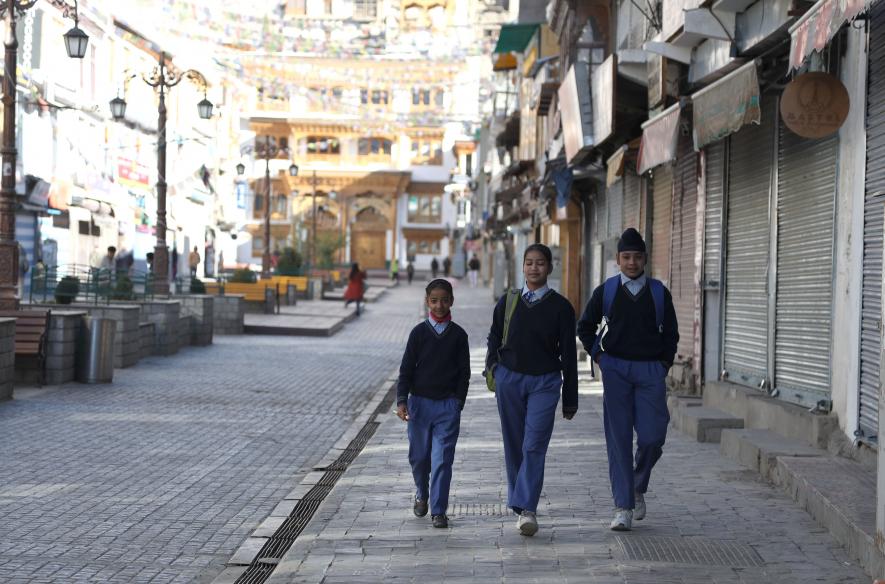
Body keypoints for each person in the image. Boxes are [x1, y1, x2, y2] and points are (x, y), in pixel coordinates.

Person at [576, 228, 679, 532]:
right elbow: (585, 326)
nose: (632, 262)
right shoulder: (606, 291)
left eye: (637, 256)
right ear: (617, 260)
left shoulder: (659, 292)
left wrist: (663, 364)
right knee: (618, 439)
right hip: (616, 369)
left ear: (645, 259)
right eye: (626, 257)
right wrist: (600, 357)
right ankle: (623, 507)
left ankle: (637, 484)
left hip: (650, 371)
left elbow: (671, 334)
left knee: (652, 436)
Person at [485, 243, 578, 537]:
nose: (534, 268)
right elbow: (494, 336)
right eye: (529, 263)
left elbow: (570, 355)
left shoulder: (562, 307)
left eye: (540, 263)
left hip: (545, 382)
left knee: (533, 443)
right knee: (514, 444)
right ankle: (521, 499)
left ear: (549, 267)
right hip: (510, 380)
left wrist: (570, 399)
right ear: (523, 266)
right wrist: (493, 369)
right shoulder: (508, 301)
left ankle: (527, 508)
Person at [396, 278, 470, 529]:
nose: (439, 305)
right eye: (434, 300)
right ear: (427, 301)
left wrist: (458, 401)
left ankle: (439, 510)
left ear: (452, 301)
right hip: (419, 405)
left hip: (447, 407)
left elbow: (464, 372)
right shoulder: (418, 333)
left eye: (444, 300)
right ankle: (421, 493)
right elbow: (406, 369)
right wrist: (401, 400)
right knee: (418, 457)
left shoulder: (459, 335)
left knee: (442, 459)